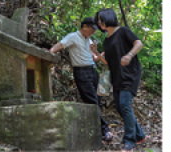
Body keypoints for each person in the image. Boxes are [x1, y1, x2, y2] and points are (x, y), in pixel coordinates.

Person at [49, 18, 113, 142]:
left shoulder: (88, 40)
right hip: (82, 72)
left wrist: (100, 55)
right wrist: (50, 52)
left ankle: (94, 129)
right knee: (92, 102)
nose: (93, 32)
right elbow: (60, 45)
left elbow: (92, 58)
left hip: (93, 71)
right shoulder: (73, 37)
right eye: (92, 29)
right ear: (84, 26)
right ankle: (104, 130)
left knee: (97, 101)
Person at [96, 9, 147, 151]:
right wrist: (95, 52)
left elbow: (139, 44)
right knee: (120, 107)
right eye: (98, 20)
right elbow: (107, 61)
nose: (99, 23)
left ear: (108, 18)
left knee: (125, 105)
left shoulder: (123, 31)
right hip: (117, 76)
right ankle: (140, 135)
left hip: (130, 73)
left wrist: (129, 55)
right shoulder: (106, 40)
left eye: (101, 19)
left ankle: (130, 141)